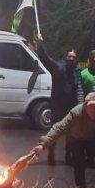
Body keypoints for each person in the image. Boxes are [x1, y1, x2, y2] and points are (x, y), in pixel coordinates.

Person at [31, 92, 95, 188]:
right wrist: (43, 144)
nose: (93, 110)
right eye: (90, 106)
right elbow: (59, 128)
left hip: (93, 138)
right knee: (79, 164)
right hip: (77, 139)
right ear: (85, 106)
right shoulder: (76, 113)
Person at [34, 31, 81, 166]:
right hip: (57, 106)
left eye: (73, 57)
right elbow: (46, 59)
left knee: (71, 134)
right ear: (65, 57)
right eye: (69, 56)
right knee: (54, 132)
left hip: (71, 108)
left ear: (76, 59)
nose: (71, 58)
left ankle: (68, 155)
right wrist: (40, 45)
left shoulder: (78, 71)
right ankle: (51, 154)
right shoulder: (58, 68)